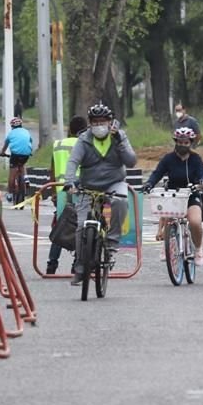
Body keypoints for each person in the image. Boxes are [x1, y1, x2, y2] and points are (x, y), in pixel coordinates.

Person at [64, 104, 136, 287]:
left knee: (120, 202)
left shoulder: (120, 136)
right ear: (90, 124)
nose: (99, 125)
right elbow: (73, 162)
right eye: (95, 122)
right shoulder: (83, 139)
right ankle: (80, 266)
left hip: (114, 182)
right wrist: (69, 181)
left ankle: (111, 244)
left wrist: (119, 141)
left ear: (110, 122)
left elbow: (131, 161)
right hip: (88, 185)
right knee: (81, 226)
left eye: (102, 122)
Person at [142, 127, 203, 266]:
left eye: (186, 143)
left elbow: (202, 174)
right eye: (180, 142)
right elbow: (157, 173)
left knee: (195, 222)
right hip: (173, 195)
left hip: (191, 195)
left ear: (191, 143)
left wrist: (201, 182)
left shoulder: (196, 159)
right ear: (175, 142)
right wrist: (149, 183)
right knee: (167, 217)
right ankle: (166, 245)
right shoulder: (168, 159)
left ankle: (198, 249)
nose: (183, 145)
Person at [46, 115, 88, 274]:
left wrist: (53, 193)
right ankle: (76, 264)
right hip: (82, 190)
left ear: (69, 129)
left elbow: (52, 170)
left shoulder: (58, 145)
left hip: (61, 191)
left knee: (60, 227)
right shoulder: (86, 144)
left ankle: (52, 265)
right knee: (81, 227)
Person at [0, 117, 33, 202]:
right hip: (26, 153)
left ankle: (10, 193)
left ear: (12, 126)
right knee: (22, 164)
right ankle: (26, 178)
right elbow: (30, 142)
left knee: (12, 173)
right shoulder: (26, 131)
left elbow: (5, 146)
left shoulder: (11, 133)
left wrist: (2, 152)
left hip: (15, 155)